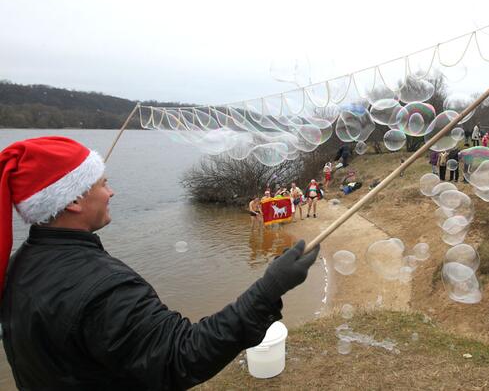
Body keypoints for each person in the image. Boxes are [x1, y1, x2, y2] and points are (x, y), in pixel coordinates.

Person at [0, 136, 320, 389]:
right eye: (102, 184)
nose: (111, 193)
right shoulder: (102, 288)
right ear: (71, 200)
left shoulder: (19, 265)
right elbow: (181, 355)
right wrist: (269, 288)